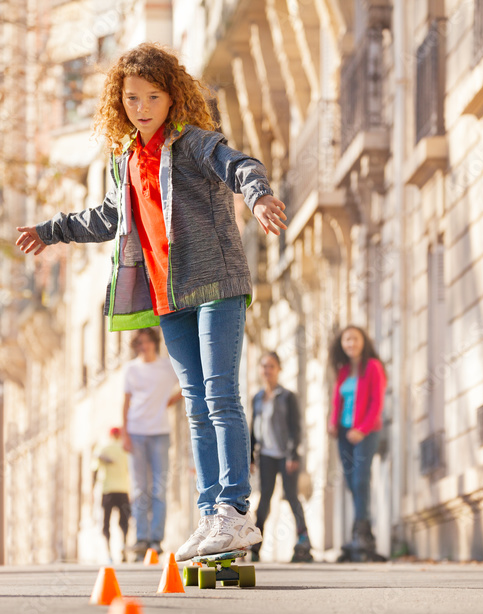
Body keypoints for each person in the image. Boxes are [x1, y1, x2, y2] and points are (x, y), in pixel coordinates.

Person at [15, 42, 286, 561]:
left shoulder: (193, 143)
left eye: (152, 96)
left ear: (171, 97)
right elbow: (108, 218)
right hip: (170, 296)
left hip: (217, 285)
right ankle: (212, 515)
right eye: (132, 98)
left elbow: (240, 165)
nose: (141, 107)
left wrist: (258, 196)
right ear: (120, 102)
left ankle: (235, 510)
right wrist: (51, 231)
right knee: (195, 408)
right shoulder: (126, 160)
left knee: (221, 396)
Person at [328, 326, 387, 562]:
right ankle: (364, 533)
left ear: (363, 341)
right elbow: (337, 400)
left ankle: (361, 534)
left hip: (367, 432)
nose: (350, 343)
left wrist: (362, 430)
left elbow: (377, 401)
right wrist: (333, 423)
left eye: (354, 339)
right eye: (346, 340)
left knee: (361, 479)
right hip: (344, 433)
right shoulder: (343, 371)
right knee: (352, 481)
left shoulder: (373, 366)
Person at [122, 328, 182, 558]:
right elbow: (126, 403)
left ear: (155, 343)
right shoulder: (131, 369)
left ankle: (156, 539)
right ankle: (141, 538)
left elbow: (186, 385)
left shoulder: (167, 367)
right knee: (139, 489)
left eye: (147, 342)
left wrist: (166, 403)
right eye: (139, 343)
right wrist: (125, 434)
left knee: (158, 487)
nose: (143, 346)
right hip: (136, 433)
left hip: (160, 433)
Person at [249, 351, 312, 562]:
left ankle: (304, 543)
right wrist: (250, 457)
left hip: (286, 456)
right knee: (264, 501)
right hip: (266, 456)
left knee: (292, 497)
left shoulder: (287, 396)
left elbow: (296, 428)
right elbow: (253, 429)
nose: (267, 370)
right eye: (264, 366)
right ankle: (256, 547)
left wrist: (294, 454)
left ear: (279, 369)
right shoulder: (257, 398)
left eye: (272, 366)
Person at [94, 427, 132, 562]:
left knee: (106, 522)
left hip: (108, 490)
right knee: (124, 521)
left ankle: (109, 552)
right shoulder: (125, 449)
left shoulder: (103, 448)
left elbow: (95, 469)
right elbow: (130, 470)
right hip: (123, 489)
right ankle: (124, 545)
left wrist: (94, 486)